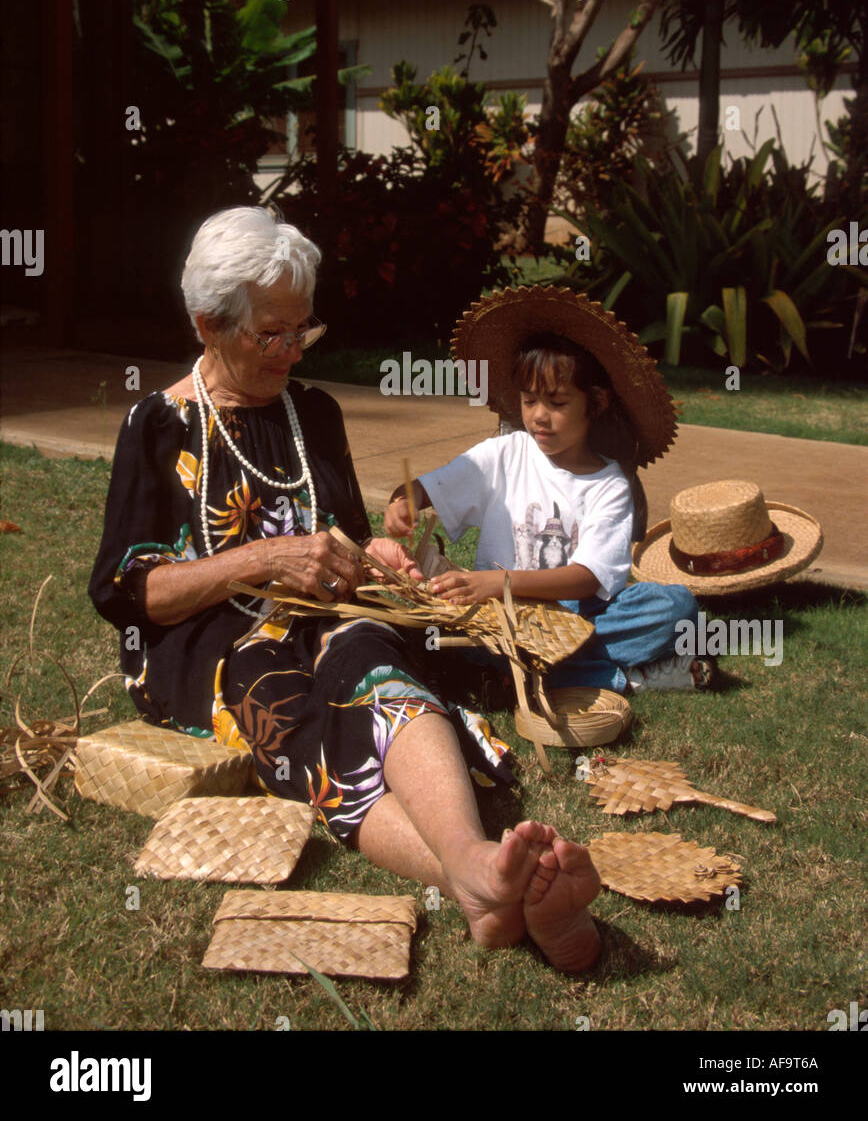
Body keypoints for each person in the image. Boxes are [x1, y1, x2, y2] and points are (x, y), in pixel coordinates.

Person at [88, 207, 601, 973]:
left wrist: (379, 556)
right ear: (208, 324)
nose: (293, 350)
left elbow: (344, 541)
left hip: (329, 619)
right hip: (211, 643)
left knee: (373, 660)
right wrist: (261, 559)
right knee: (285, 701)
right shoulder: (160, 425)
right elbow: (136, 596)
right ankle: (480, 876)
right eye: (272, 333)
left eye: (305, 330)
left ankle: (474, 869)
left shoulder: (314, 414)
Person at [385, 286, 709, 693]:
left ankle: (520, 675)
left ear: (596, 402)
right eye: (528, 400)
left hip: (571, 614)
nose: (539, 416)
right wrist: (403, 502)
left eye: (557, 403)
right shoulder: (504, 454)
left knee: (674, 608)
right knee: (437, 638)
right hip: (496, 615)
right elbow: (419, 489)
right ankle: (616, 677)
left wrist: (499, 582)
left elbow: (587, 578)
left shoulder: (609, 484)